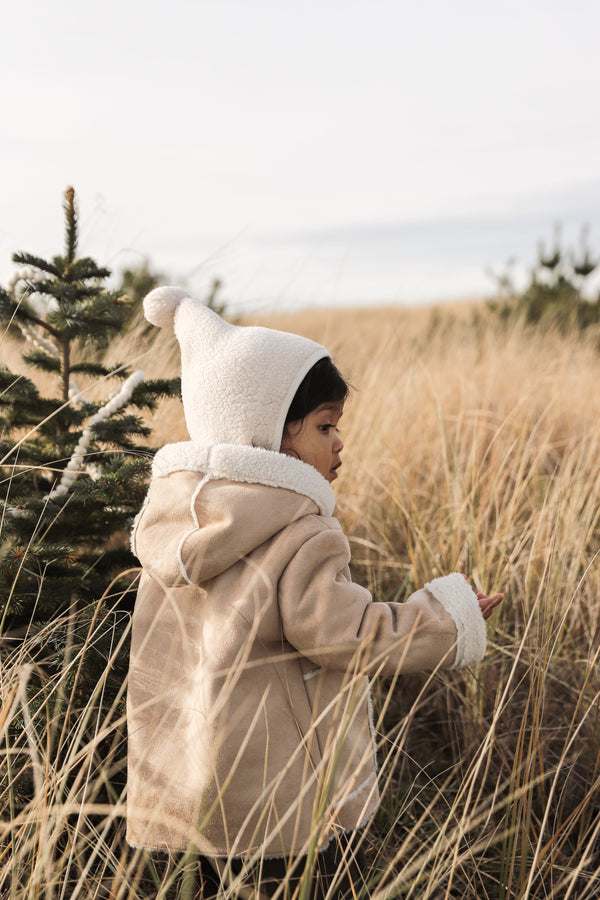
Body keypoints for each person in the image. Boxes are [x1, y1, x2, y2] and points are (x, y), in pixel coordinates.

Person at [126, 287, 503, 898]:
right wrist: (445, 619)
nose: (339, 444)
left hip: (180, 793)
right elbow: (343, 633)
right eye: (326, 426)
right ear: (269, 430)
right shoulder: (300, 530)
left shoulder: (172, 529)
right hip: (279, 802)